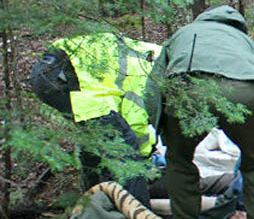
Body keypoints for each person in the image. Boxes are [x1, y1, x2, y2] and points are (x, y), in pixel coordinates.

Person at [145, 5, 254, 219]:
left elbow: (154, 83)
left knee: (179, 160)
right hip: (243, 92)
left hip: (185, 90)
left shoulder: (183, 33)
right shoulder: (243, 39)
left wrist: (159, 125)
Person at [29, 33, 161, 206]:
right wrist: (146, 156)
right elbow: (134, 121)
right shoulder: (150, 69)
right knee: (125, 145)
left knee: (92, 140)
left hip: (46, 71)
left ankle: (94, 202)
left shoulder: (145, 51)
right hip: (67, 78)